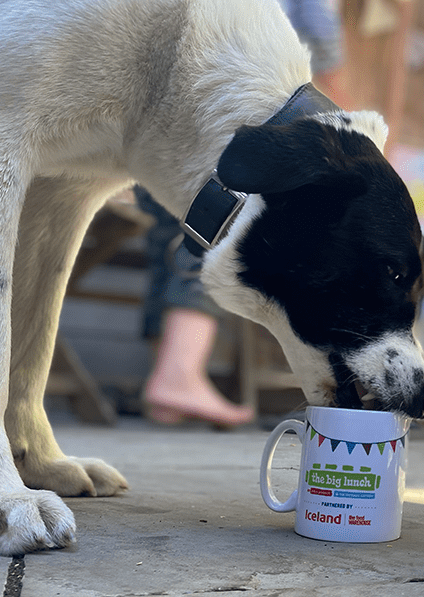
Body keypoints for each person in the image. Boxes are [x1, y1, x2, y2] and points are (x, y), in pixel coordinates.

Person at [139, 0, 353, 427]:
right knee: (217, 226)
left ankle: (166, 377)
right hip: (244, 101)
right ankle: (177, 373)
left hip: (160, 107)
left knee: (171, 233)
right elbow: (319, 30)